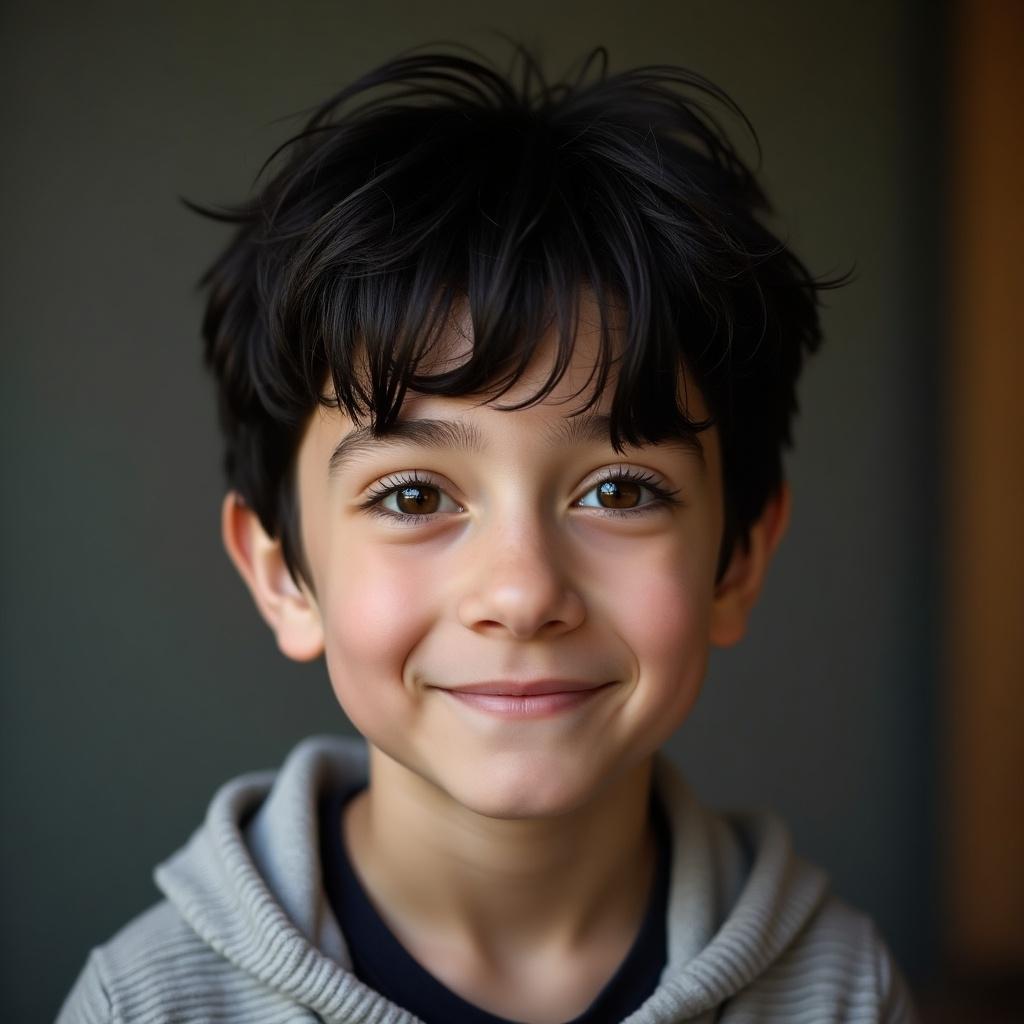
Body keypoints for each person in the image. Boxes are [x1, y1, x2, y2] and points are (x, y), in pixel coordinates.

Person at [57, 46, 917, 1023]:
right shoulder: (150, 1004)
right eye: (416, 497)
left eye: (620, 489)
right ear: (282, 573)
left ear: (740, 560)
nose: (520, 592)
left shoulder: (841, 992)